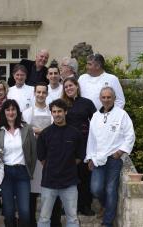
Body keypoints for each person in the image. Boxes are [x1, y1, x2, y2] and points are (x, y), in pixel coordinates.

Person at [85, 87, 135, 227]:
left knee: (110, 189)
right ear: (100, 99)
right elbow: (91, 139)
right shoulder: (95, 116)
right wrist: (90, 157)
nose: (106, 100)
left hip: (114, 158)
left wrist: (120, 151)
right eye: (104, 97)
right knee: (95, 189)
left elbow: (130, 135)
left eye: (109, 97)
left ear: (113, 98)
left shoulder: (121, 114)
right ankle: (107, 207)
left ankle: (107, 222)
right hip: (98, 158)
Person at [37, 99, 84, 227]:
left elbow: (80, 156)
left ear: (65, 112)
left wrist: (67, 165)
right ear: (51, 113)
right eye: (54, 111)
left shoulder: (75, 133)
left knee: (72, 218)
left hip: (69, 182)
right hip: (49, 182)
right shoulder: (45, 134)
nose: (57, 114)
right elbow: (41, 158)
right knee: (44, 218)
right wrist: (54, 166)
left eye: (60, 111)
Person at [0, 99, 37, 227]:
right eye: (8, 110)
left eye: (13, 109)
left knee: (24, 211)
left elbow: (33, 152)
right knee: (9, 211)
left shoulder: (26, 128)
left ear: (17, 111)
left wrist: (29, 171)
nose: (11, 112)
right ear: (3, 112)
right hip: (5, 173)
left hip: (22, 173)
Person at [23, 83, 62, 227]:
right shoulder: (27, 113)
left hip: (50, 157)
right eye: (38, 92)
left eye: (43, 92)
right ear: (34, 93)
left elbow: (57, 128)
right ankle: (32, 222)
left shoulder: (52, 112)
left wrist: (41, 132)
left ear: (47, 94)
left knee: (52, 192)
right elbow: (25, 132)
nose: (40, 95)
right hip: (33, 157)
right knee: (32, 194)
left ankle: (54, 222)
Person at [61, 77, 97, 216]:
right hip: (67, 145)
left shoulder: (87, 103)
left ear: (77, 86)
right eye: (66, 87)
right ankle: (68, 206)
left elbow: (96, 123)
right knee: (68, 177)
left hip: (84, 144)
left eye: (71, 85)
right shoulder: (62, 104)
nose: (68, 88)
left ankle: (84, 205)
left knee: (84, 176)